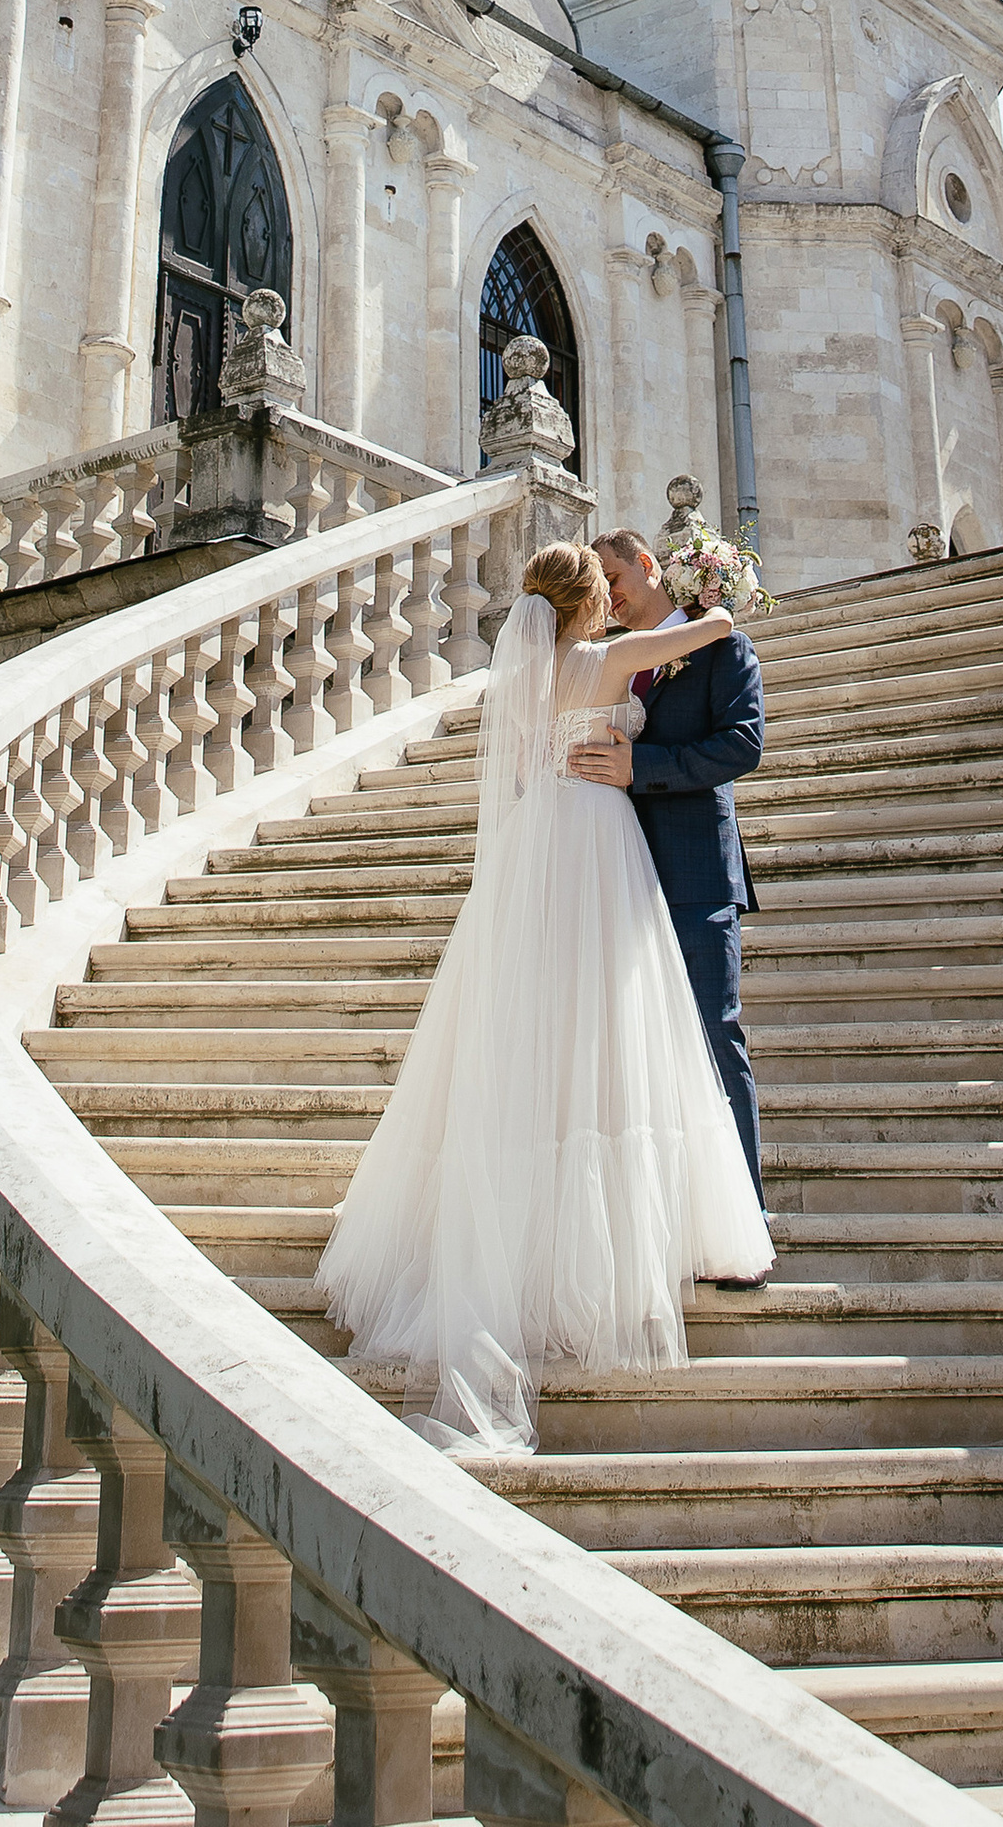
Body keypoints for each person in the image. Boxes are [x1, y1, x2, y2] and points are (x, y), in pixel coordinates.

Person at [314, 539, 774, 1450]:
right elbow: (722, 625)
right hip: (600, 842)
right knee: (617, 1028)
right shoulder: (606, 659)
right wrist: (708, 590)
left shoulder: (527, 674)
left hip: (540, 845)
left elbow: (526, 766)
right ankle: (631, 1242)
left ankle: (540, 1237)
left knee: (545, 1028)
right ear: (590, 598)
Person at [567, 527, 766, 1213]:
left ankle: (742, 1215)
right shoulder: (613, 660)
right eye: (598, 589)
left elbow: (744, 744)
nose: (609, 599)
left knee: (715, 1037)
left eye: (615, 582)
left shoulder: (719, 643)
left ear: (648, 566)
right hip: (622, 875)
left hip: (696, 876)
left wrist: (639, 769)